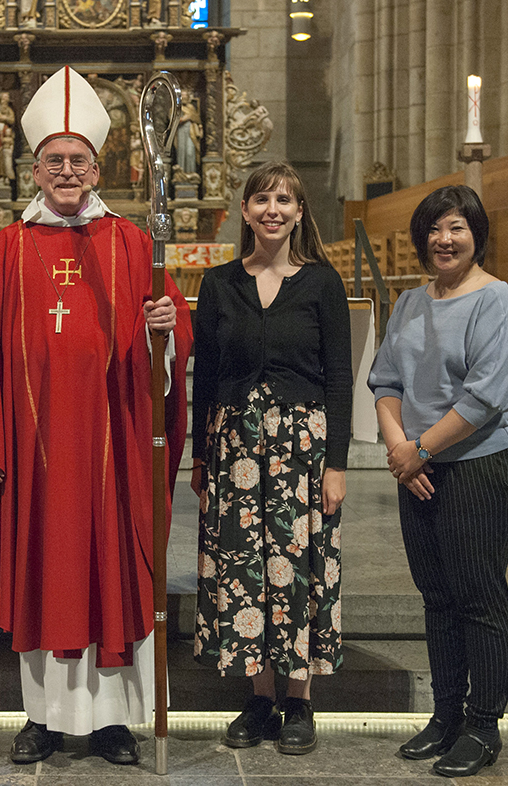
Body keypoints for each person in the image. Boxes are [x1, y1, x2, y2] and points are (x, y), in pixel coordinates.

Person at [0, 66, 193, 766]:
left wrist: (166, 331)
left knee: (111, 567)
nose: (65, 171)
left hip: (111, 447)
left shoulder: (132, 242)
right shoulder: (7, 248)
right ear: (33, 167)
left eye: (77, 160)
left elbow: (165, 352)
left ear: (97, 164)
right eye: (53, 160)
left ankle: (112, 722)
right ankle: (41, 718)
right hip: (33, 450)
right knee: (42, 571)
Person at [368, 185, 508, 778]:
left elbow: (486, 396)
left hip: (482, 464)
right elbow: (385, 380)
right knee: (436, 597)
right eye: (435, 229)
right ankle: (446, 715)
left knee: (478, 596)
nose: (444, 239)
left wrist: (419, 450)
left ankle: (483, 725)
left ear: (476, 234)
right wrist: (399, 450)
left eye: (457, 227)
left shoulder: (498, 302)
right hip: (418, 466)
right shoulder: (411, 302)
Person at [190, 161, 351, 756]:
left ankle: (300, 699)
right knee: (245, 567)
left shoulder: (322, 284)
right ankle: (260, 696)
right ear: (246, 211)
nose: (273, 210)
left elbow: (339, 378)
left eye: (284, 199)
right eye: (262, 199)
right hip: (234, 447)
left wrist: (337, 464)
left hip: (302, 451)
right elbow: (203, 375)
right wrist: (199, 458)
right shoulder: (220, 283)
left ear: (300, 211)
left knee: (299, 564)